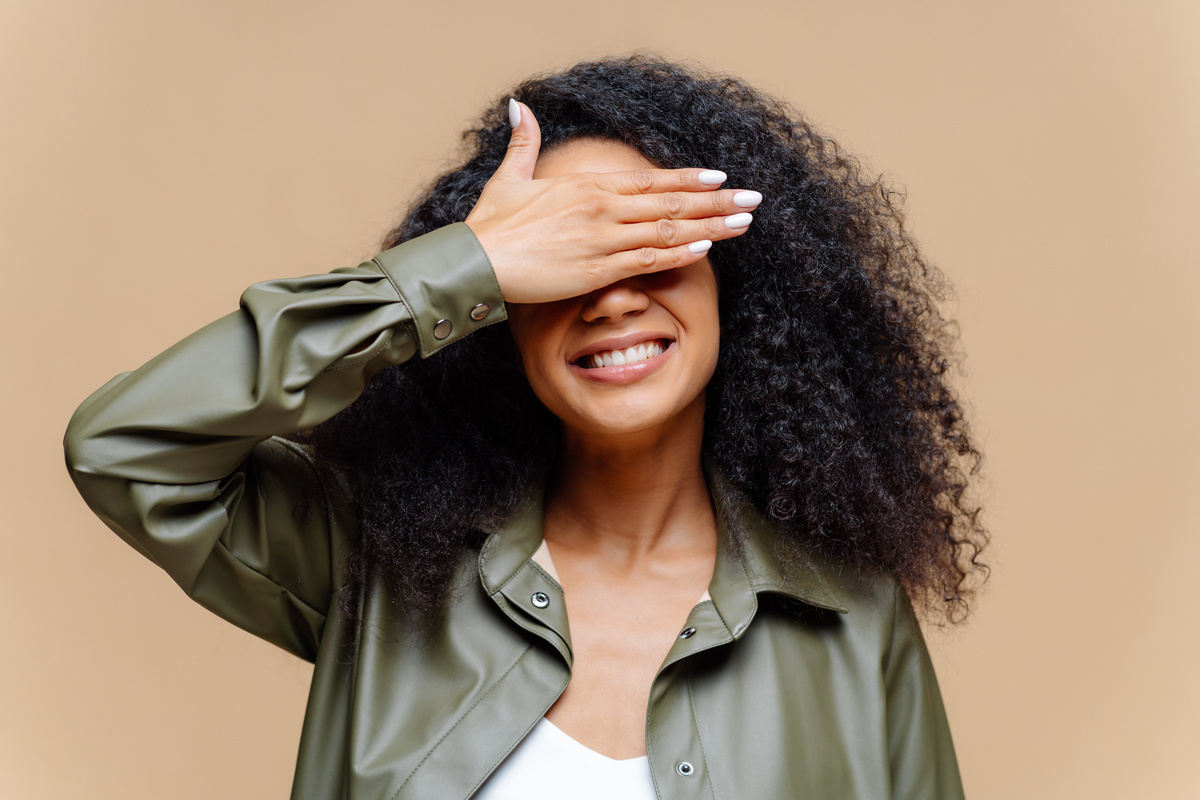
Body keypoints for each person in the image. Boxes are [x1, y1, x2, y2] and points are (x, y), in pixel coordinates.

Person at [64, 56, 986, 799]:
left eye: (652, 244)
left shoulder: (849, 613)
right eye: (565, 262)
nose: (614, 297)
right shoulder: (377, 562)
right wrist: (463, 265)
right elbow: (127, 446)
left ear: (734, 287)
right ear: (500, 313)